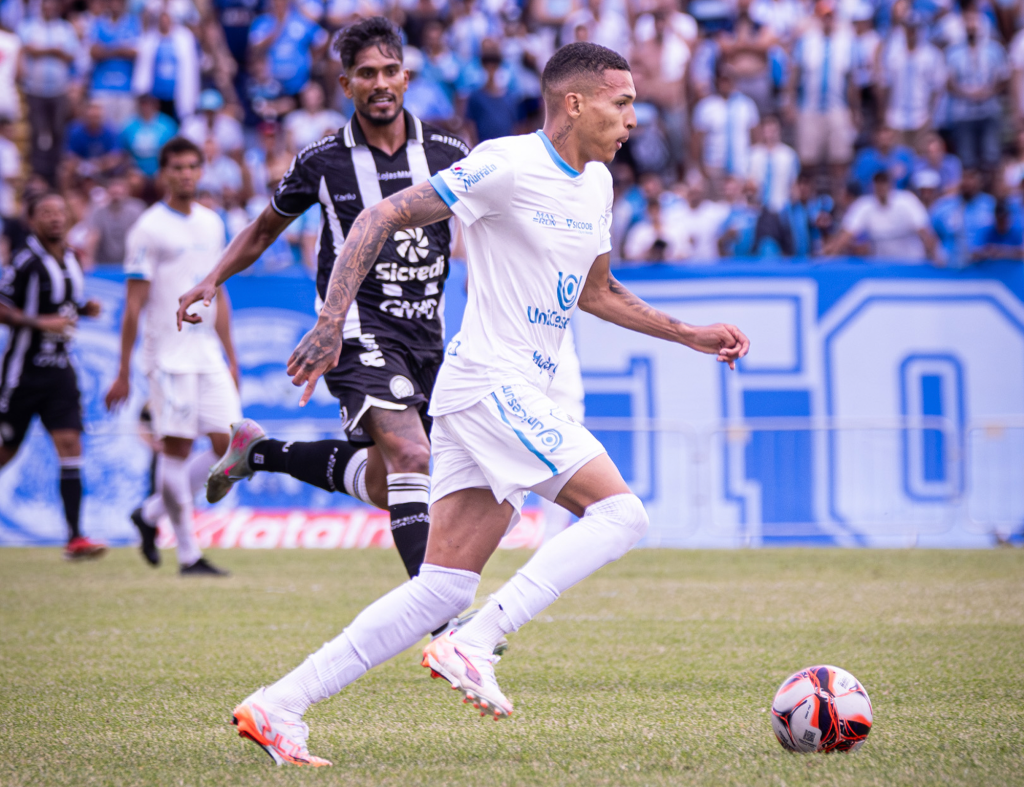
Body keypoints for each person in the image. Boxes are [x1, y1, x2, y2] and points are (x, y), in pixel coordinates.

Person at [224, 41, 748, 767]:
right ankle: (477, 641)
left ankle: (279, 704)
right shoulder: (506, 163)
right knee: (622, 514)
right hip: (487, 383)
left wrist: (687, 333)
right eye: (622, 103)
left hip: (506, 390)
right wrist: (331, 319)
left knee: (440, 587)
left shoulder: (597, 185)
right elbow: (377, 217)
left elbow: (598, 292)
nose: (633, 119)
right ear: (574, 103)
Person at [176, 18, 469, 582]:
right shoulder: (323, 159)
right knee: (413, 458)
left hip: (428, 336)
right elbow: (264, 228)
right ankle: (440, 616)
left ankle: (259, 453)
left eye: (389, 71)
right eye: (366, 73)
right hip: (356, 330)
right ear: (345, 84)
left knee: (389, 482)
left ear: (406, 78)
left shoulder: (448, 151)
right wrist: (214, 278)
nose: (379, 83)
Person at [104, 138, 237, 576]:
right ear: (164, 173)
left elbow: (219, 293)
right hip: (168, 355)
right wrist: (123, 371)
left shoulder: (212, 222)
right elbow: (133, 305)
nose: (185, 174)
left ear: (201, 170)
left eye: (192, 166)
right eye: (177, 167)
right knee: (177, 448)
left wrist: (231, 356)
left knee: (235, 446)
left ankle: (150, 513)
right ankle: (188, 555)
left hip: (207, 352)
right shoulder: (148, 228)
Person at [0, 192, 106, 560]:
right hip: (22, 374)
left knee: (70, 444)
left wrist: (84, 309)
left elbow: (62, 305)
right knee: (6, 450)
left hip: (60, 369)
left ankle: (75, 537)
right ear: (32, 221)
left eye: (60, 211)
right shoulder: (25, 261)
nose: (55, 218)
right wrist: (40, 322)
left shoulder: (72, 258)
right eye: (46, 212)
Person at [18, 0, 81, 185]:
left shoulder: (65, 29)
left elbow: (71, 55)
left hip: (58, 89)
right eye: (46, 6)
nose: (49, 9)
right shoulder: (29, 26)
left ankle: (54, 176)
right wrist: (54, 50)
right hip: (34, 89)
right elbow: (27, 49)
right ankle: (37, 174)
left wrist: (43, 50)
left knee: (58, 131)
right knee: (36, 131)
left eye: (52, 6)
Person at [825, 170, 937, 262]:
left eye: (884, 183)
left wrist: (935, 255)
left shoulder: (908, 201)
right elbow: (846, 234)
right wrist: (830, 256)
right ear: (873, 186)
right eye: (878, 183)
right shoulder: (864, 206)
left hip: (911, 263)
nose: (881, 187)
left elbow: (924, 230)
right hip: (882, 265)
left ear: (890, 185)